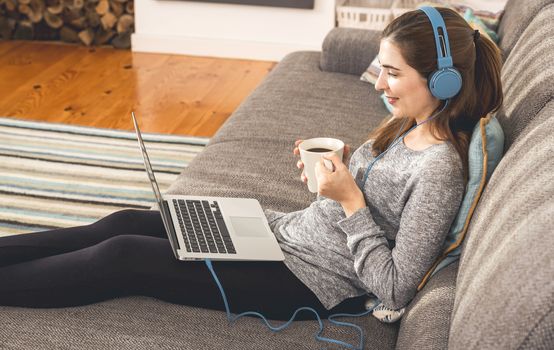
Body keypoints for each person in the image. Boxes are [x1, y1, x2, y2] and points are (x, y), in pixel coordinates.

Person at [0, 7, 502, 321]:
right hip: (282, 236)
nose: (378, 85)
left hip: (307, 282)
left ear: (443, 83)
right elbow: (371, 198)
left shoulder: (440, 170)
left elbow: (394, 287)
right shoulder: (407, 126)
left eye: (392, 73)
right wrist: (339, 172)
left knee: (122, 256)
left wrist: (349, 200)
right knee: (127, 221)